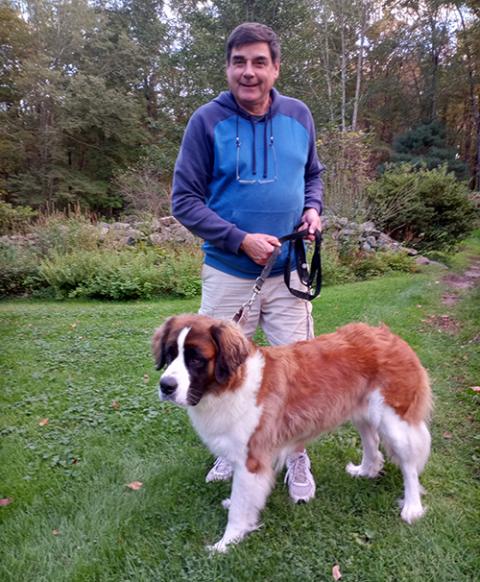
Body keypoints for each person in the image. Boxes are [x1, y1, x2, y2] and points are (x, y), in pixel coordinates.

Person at [171, 22, 324, 503]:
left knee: (299, 375)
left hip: (291, 271)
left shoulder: (299, 115)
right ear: (228, 67)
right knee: (224, 371)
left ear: (276, 67)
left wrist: (312, 210)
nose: (249, 72)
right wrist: (238, 240)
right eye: (239, 62)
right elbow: (184, 200)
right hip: (229, 275)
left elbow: (314, 176)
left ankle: (297, 456)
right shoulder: (206, 121)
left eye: (259, 62)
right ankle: (231, 449)